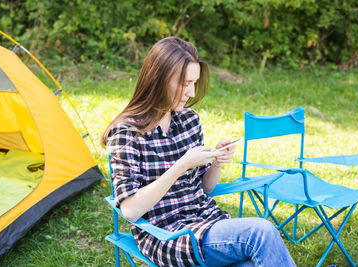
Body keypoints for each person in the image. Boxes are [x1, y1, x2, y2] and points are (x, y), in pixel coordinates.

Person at [102, 37, 296, 267]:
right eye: (185, 84)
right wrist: (181, 165)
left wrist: (216, 163)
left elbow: (204, 188)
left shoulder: (188, 120)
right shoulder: (126, 132)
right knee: (261, 232)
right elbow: (130, 210)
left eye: (194, 83)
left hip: (207, 221)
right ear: (158, 80)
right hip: (168, 235)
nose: (191, 92)